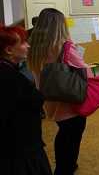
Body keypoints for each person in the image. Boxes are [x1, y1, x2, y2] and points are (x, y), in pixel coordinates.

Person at [28, 8, 92, 175]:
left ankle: (65, 165)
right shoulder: (65, 47)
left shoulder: (34, 47)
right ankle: (65, 168)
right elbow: (86, 72)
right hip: (69, 101)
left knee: (64, 132)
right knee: (72, 135)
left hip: (50, 100)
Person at [0, 25, 52, 175]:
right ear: (9, 50)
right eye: (23, 42)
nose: (28, 45)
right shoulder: (9, 77)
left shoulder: (10, 71)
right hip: (20, 150)